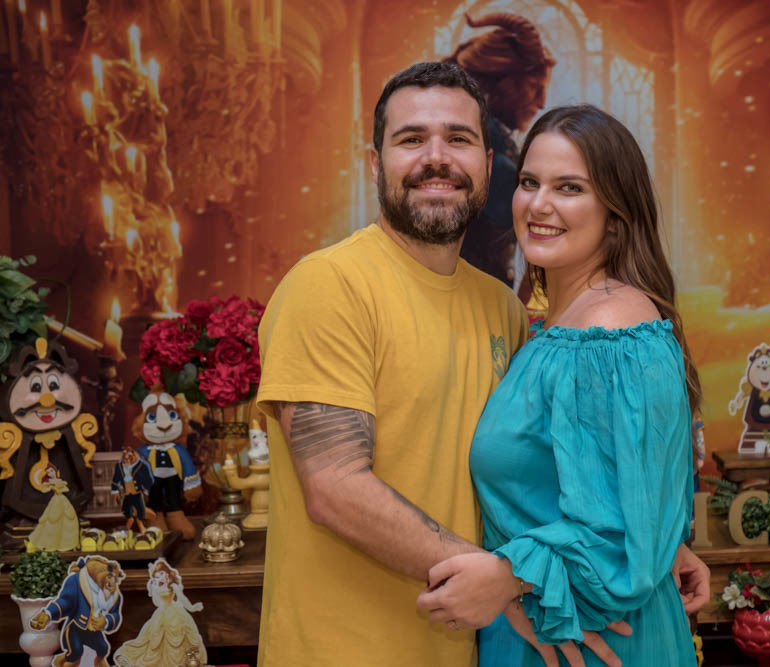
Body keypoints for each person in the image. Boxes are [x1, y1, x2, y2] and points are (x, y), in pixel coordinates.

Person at [256, 63, 708, 666]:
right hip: (350, 649)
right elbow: (335, 487)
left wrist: (645, 537)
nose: (436, 158)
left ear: (487, 165)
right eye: (411, 139)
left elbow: (563, 466)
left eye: (459, 138)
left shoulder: (501, 307)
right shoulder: (328, 286)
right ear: (374, 164)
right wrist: (519, 580)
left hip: (485, 642)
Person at [417, 105, 703, 666]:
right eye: (530, 182)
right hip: (545, 621)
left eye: (569, 188)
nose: (539, 204)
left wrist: (511, 575)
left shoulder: (610, 332)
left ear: (615, 215)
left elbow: (621, 536)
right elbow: (621, 492)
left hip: (592, 638)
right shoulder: (559, 326)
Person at [446, 12, 556, 291]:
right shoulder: (489, 157)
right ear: (505, 84)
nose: (542, 103)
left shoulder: (489, 139)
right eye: (534, 89)